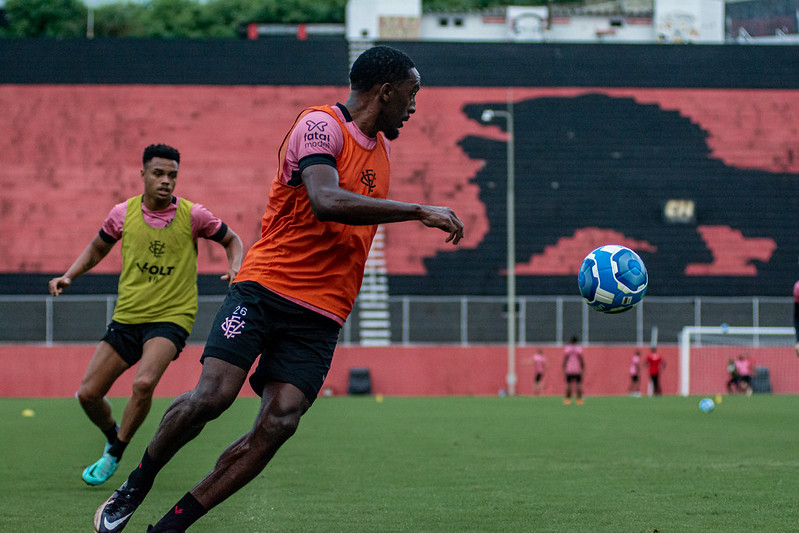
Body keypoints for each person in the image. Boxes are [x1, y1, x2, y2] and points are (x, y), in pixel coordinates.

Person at [93, 46, 464, 533]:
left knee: (279, 422)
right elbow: (325, 199)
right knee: (212, 397)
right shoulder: (320, 125)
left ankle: (171, 526)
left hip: (323, 312)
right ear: (386, 91)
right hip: (266, 289)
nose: (414, 108)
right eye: (411, 96)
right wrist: (418, 211)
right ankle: (136, 484)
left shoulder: (382, 149)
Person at [48, 144, 243, 487]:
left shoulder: (193, 215)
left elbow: (232, 239)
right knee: (88, 394)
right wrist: (69, 275)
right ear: (143, 175)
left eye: (172, 175)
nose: (166, 181)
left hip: (172, 316)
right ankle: (113, 435)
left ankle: (116, 452)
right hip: (128, 316)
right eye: (158, 174)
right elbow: (97, 248)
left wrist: (235, 265)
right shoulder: (122, 214)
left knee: (143, 383)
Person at [562, 336, 584, 405]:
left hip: (569, 369)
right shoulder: (579, 349)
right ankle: (579, 400)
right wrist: (583, 367)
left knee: (568, 385)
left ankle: (567, 400)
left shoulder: (567, 349)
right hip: (577, 369)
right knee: (579, 385)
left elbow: (565, 359)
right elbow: (581, 359)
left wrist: (564, 367)